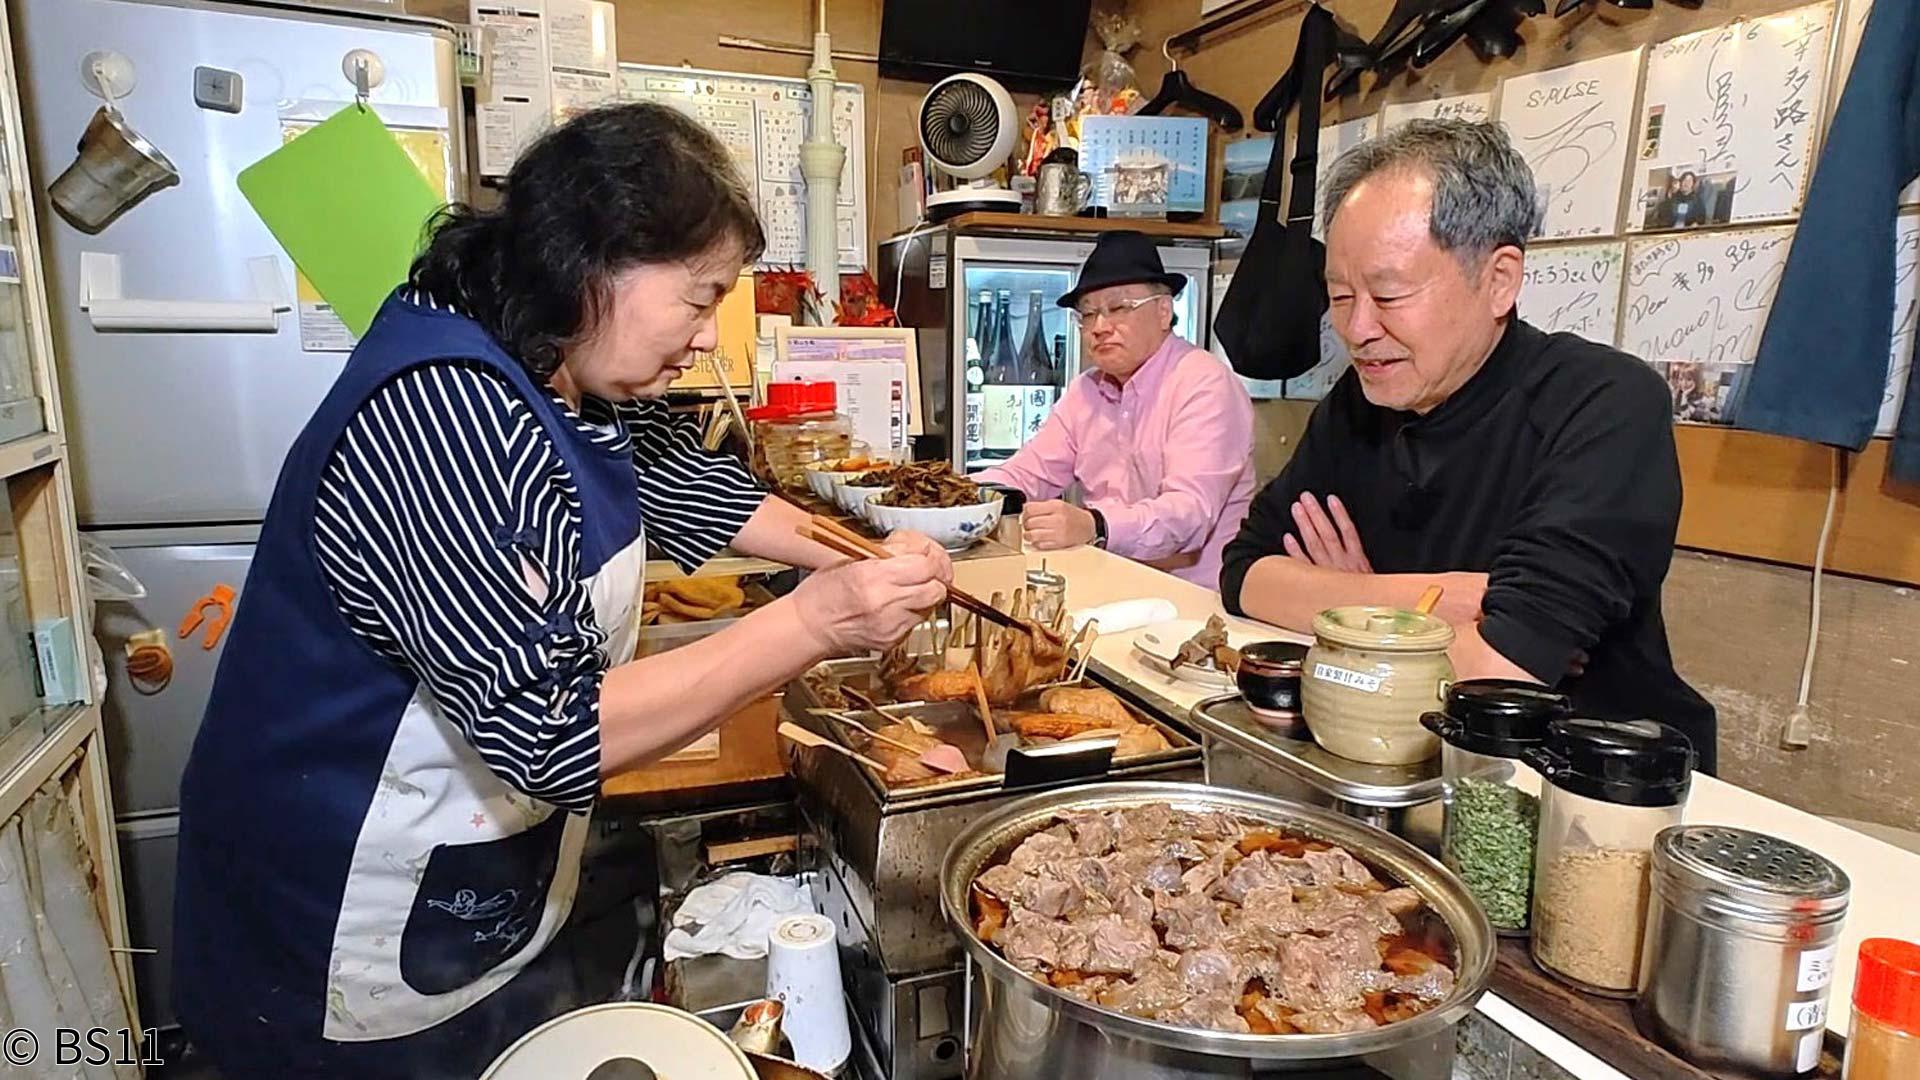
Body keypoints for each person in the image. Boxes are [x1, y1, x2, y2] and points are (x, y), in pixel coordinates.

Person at [171, 103, 952, 1078]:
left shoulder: (563, 357)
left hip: (472, 867)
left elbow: (699, 490)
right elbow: (547, 733)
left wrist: (857, 555)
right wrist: (814, 619)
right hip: (334, 911)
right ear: (596, 262)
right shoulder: (442, 413)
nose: (709, 339)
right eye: (700, 298)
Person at [1219, 120, 1717, 771]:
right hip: (1407, 756)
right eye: (1340, 296)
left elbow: (1501, 670)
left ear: (1499, 280)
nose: (1358, 329)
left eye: (1390, 294)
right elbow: (1245, 574)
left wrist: (1347, 605)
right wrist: (1422, 605)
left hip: (1583, 785)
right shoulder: (1361, 403)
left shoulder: (1605, 404)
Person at [975, 230, 1256, 587]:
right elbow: (1027, 473)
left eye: (1118, 308)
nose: (1099, 328)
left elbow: (1188, 515)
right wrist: (949, 498)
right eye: (1088, 315)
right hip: (1110, 583)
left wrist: (1095, 525)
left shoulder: (1204, 384)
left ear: (1164, 311)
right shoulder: (1087, 391)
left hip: (1195, 601)